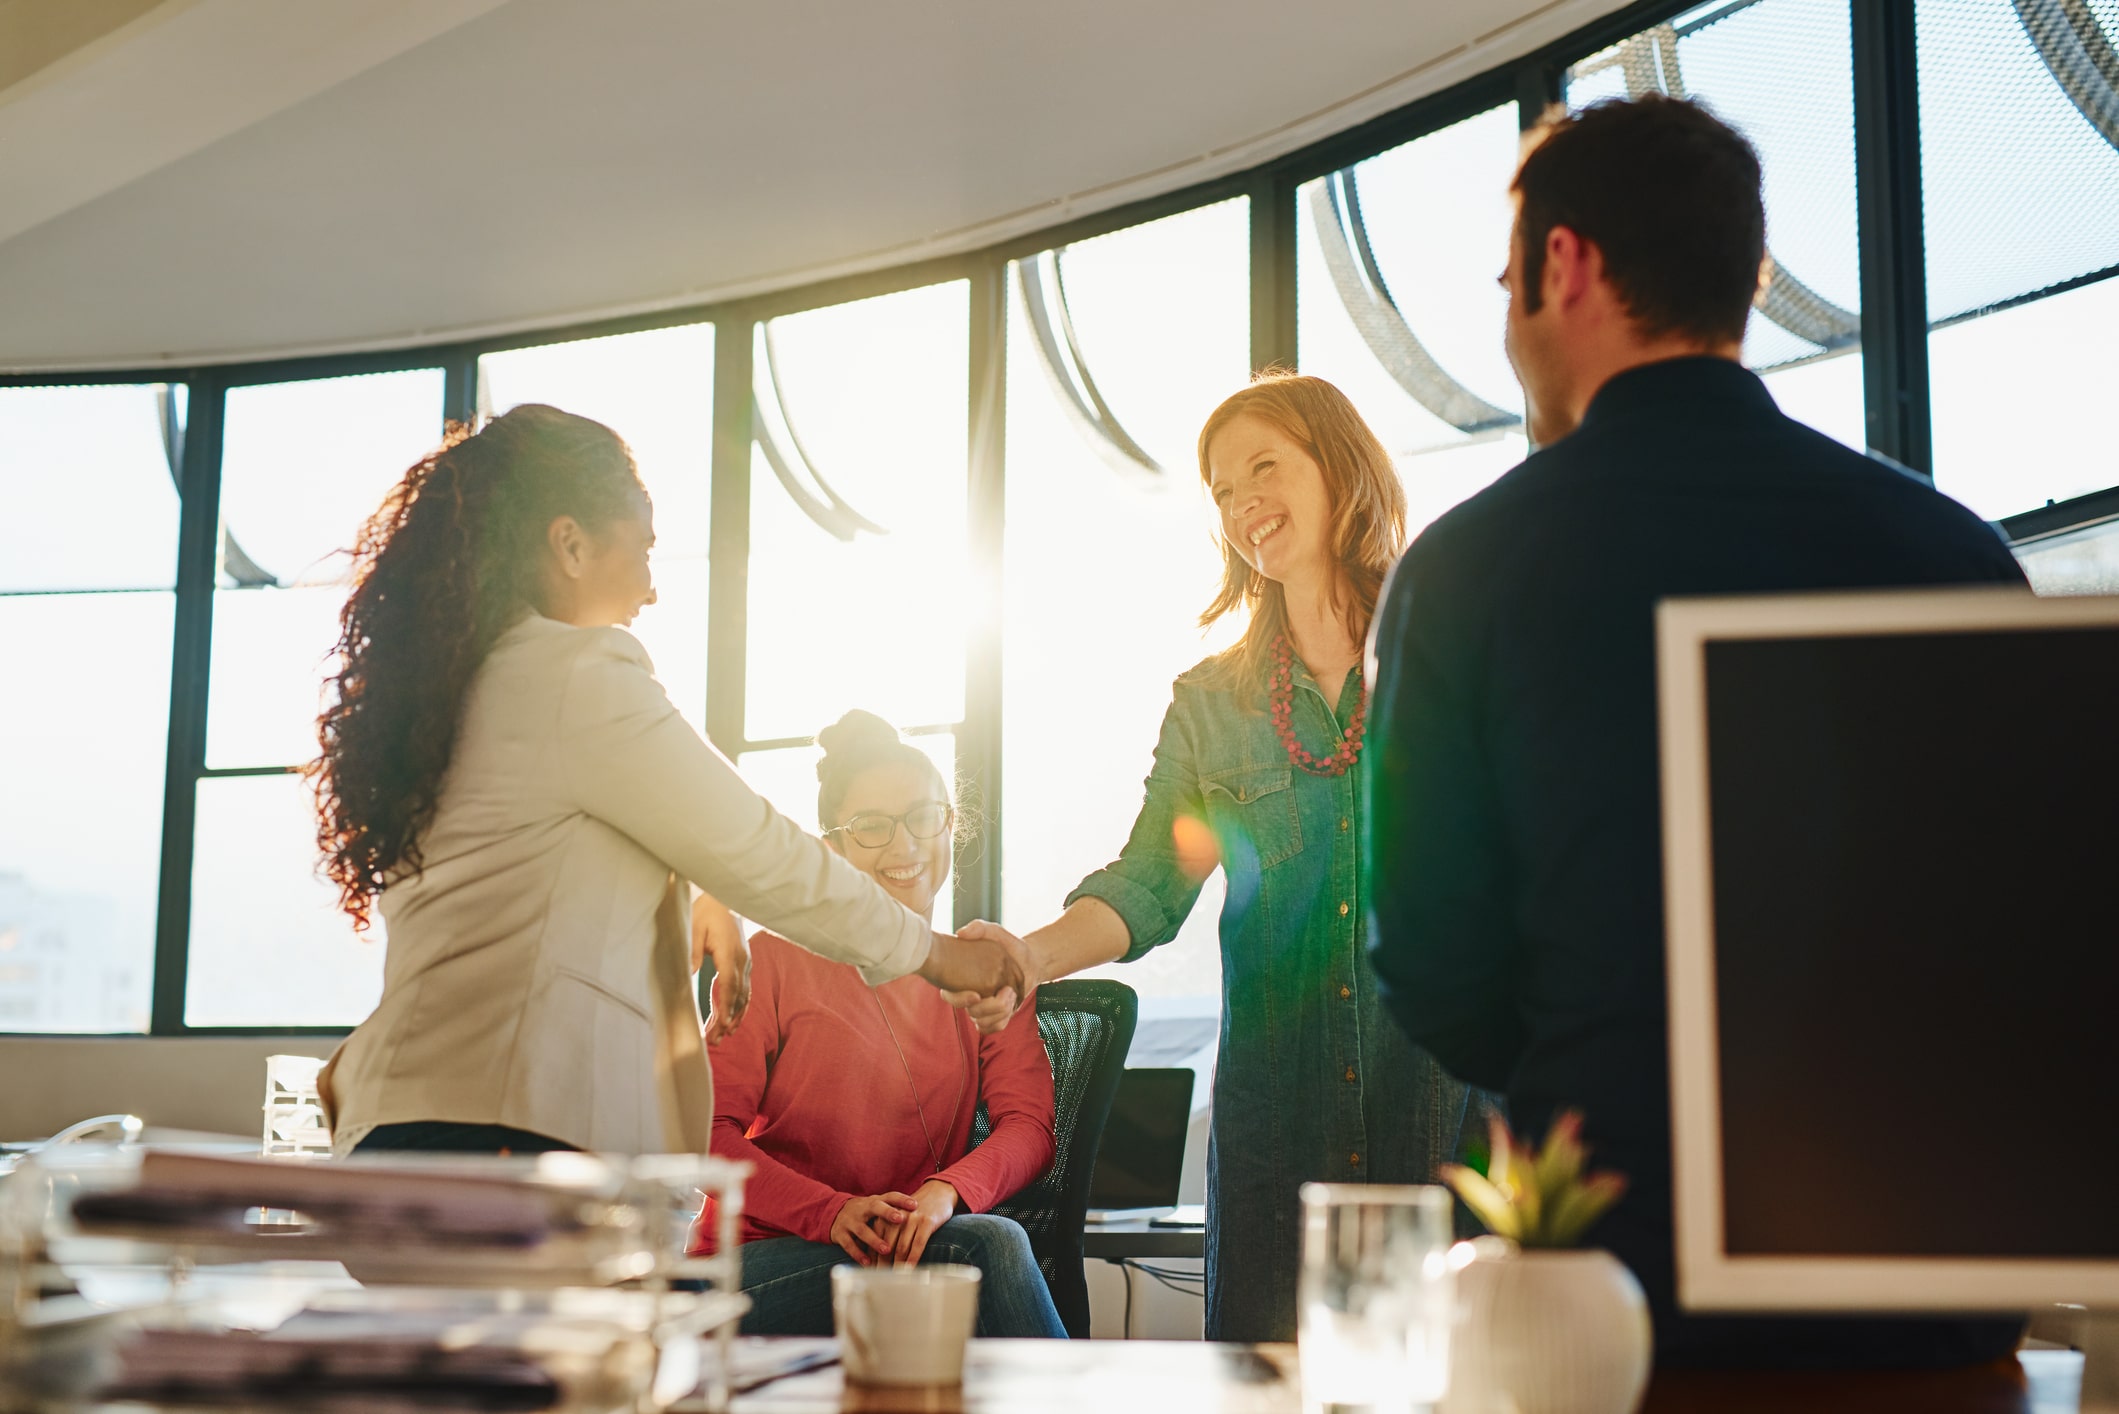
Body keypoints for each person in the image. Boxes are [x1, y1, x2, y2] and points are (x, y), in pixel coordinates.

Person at [1365, 95, 2027, 1368]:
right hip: (1933, 1279)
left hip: (1618, 1285)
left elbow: (1429, 959)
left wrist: (1608, 1040)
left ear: (1566, 265)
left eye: (1509, 280)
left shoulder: (1468, 572)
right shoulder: (1951, 550)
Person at [312, 405, 1022, 1158]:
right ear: (571, 545)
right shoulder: (578, 672)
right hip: (505, 1131)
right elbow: (758, 848)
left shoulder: (459, 695)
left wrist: (699, 886)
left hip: (412, 1128)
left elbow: (551, 881)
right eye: (644, 551)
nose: (651, 590)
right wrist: (937, 956)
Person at [961, 373, 1478, 1342]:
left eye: (1263, 467)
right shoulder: (1214, 701)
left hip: (1444, 1108)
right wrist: (1028, 958)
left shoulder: (1453, 650)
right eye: (1222, 489)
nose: (1243, 505)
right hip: (1279, 1126)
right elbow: (1151, 883)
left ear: (1340, 467)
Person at [694, 711, 1068, 1338]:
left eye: (924, 817)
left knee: (974, 1248)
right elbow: (704, 1129)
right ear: (830, 849)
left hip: (913, 1248)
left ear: (952, 824)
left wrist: (946, 1193)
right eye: (872, 827)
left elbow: (1029, 1126)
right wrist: (831, 1212)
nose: (904, 846)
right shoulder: (773, 961)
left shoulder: (980, 971)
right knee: (987, 1249)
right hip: (750, 1269)